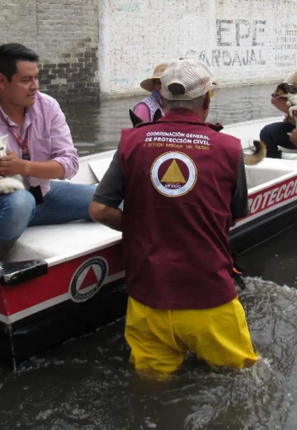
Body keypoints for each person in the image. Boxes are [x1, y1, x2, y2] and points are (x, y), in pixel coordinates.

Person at [89, 59, 257, 376]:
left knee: (151, 390)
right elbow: (233, 217)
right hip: (209, 298)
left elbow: (99, 209)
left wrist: (139, 225)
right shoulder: (229, 148)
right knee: (241, 378)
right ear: (207, 100)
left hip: (147, 300)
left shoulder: (132, 142)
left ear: (162, 101)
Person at [0, 43, 94, 261]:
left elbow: (69, 164)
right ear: (2, 80)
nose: (35, 87)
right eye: (25, 80)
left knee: (112, 198)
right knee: (20, 201)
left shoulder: (48, 107)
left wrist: (23, 167)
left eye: (36, 78)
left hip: (43, 195)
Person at [129, 63, 167, 127]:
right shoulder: (144, 108)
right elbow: (139, 133)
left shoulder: (176, 105)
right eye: (158, 83)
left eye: (165, 82)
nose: (162, 87)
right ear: (153, 86)